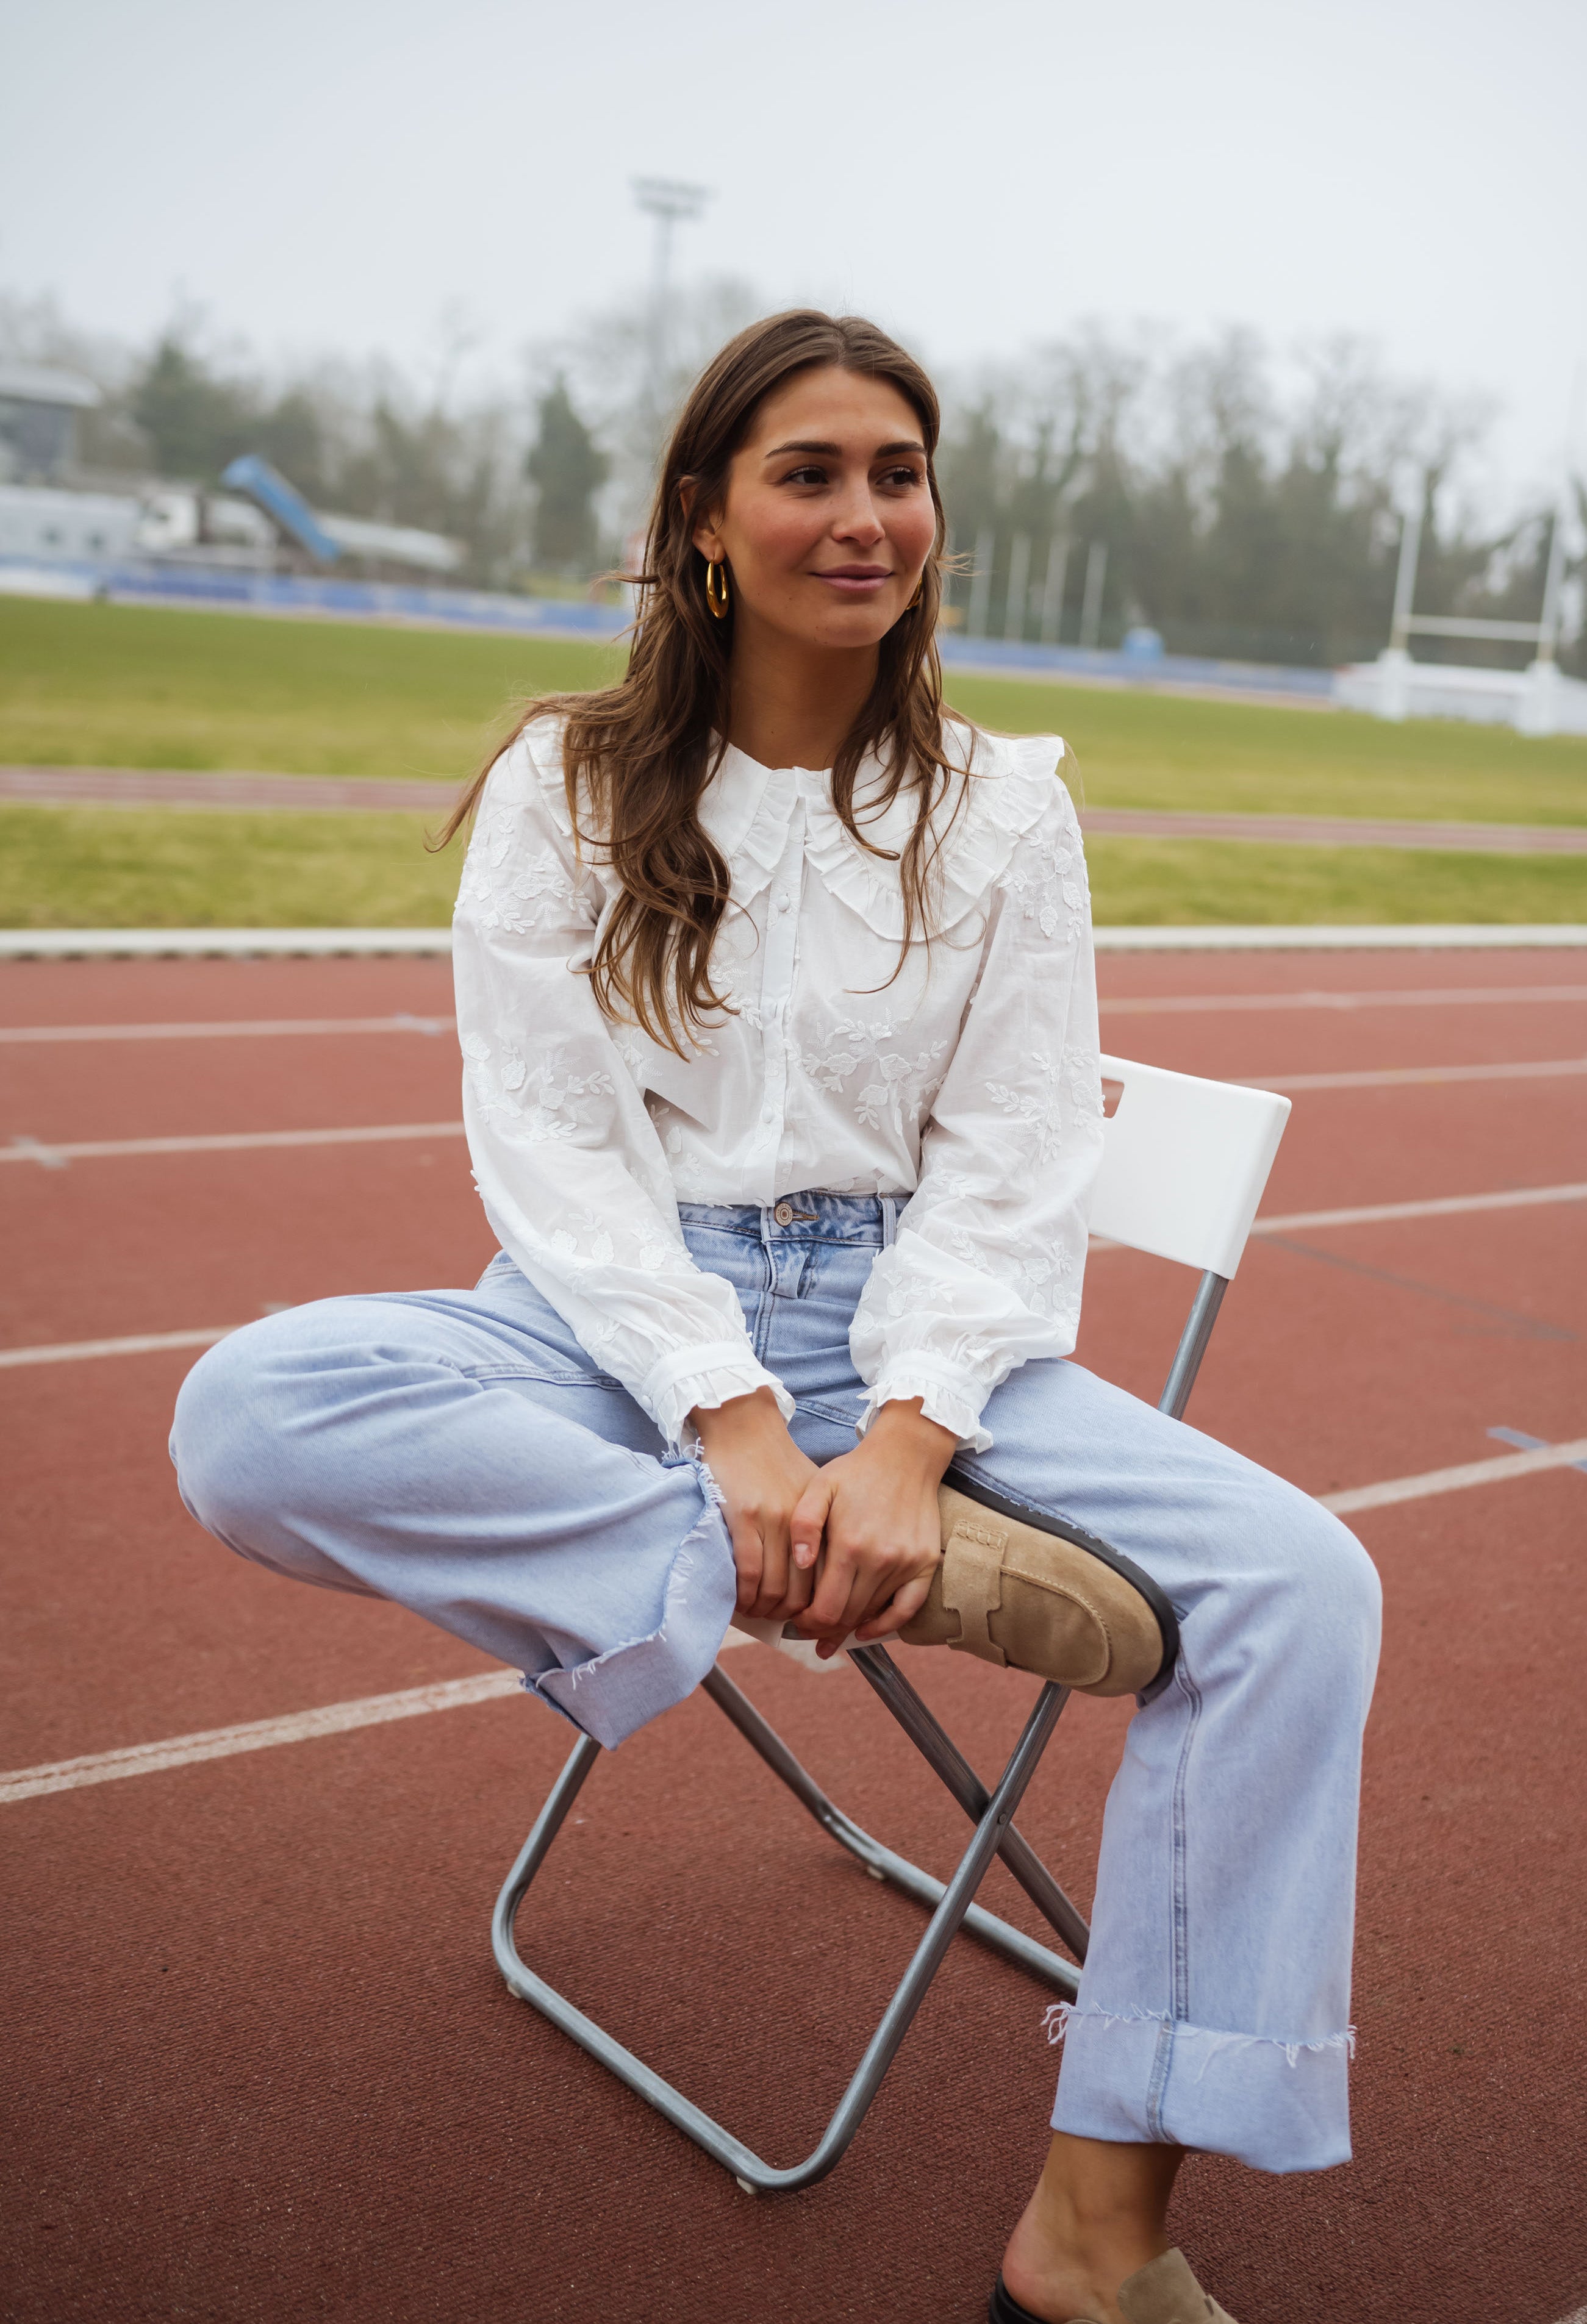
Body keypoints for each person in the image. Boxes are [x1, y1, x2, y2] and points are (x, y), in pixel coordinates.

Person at [170, 311, 1380, 2324]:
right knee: (247, 1408)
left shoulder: (1003, 811)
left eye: (896, 472)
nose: (864, 514)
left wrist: (900, 1436)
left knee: (1307, 1584)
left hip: (919, 1323)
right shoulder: (570, 783)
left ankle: (1094, 2229)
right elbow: (551, 1152)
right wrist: (731, 1426)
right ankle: (732, 1567)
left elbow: (1009, 1167)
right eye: (808, 472)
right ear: (706, 521)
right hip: (609, 1317)